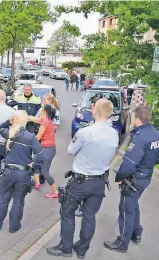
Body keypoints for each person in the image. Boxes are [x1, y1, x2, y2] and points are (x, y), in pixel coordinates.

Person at [47, 99, 119, 258]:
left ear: (95, 111)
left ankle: (65, 248)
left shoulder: (86, 132)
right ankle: (81, 249)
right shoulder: (114, 134)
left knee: (67, 212)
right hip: (99, 182)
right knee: (89, 216)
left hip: (80, 182)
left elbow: (71, 150)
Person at [104, 106, 159, 253]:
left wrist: (118, 178)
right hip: (145, 177)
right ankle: (136, 232)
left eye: (133, 117)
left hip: (133, 180)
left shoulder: (140, 137)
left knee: (126, 209)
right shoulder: (156, 134)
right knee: (133, 205)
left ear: (138, 119)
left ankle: (122, 243)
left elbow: (128, 163)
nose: (132, 120)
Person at [0, 110, 45, 233]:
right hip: (23, 174)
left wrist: (9, 121)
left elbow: (1, 127)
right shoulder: (30, 137)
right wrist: (33, 166)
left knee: (4, 198)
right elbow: (41, 156)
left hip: (7, 172)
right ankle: (14, 226)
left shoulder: (8, 133)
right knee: (18, 200)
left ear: (14, 119)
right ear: (25, 121)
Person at [33, 105, 59, 198]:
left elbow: (38, 137)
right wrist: (26, 117)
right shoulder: (47, 120)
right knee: (35, 164)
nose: (40, 109)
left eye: (41, 108)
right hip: (45, 148)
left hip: (48, 149)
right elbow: (34, 119)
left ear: (44, 111)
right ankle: (37, 183)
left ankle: (55, 192)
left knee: (45, 171)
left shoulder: (45, 121)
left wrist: (27, 140)